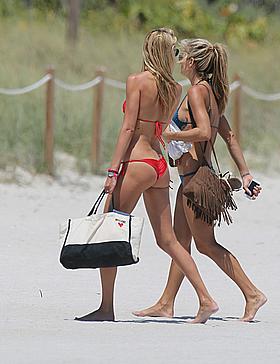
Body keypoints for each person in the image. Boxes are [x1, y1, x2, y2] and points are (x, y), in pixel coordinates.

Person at [75, 29, 218, 324]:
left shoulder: (136, 81)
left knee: (110, 229)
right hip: (159, 164)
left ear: (148, 49)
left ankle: (106, 307)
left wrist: (113, 170)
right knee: (168, 239)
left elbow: (128, 128)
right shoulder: (173, 88)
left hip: (137, 160)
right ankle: (205, 298)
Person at [133, 38, 267, 322]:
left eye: (182, 56)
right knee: (181, 241)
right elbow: (228, 137)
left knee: (206, 244)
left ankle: (252, 293)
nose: (178, 60)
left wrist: (170, 136)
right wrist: (245, 174)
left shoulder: (196, 92)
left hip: (196, 180)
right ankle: (166, 303)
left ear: (191, 62)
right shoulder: (212, 95)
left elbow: (205, 132)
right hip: (193, 179)